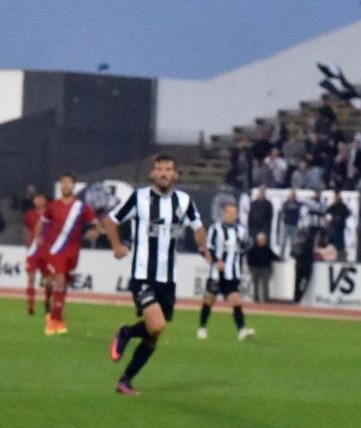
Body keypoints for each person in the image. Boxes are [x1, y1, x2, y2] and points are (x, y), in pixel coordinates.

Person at [103, 155, 208, 396]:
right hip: (143, 275)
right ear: (152, 174)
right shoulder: (139, 198)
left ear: (175, 175)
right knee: (156, 323)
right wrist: (118, 247)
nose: (163, 173)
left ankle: (125, 380)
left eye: (168, 169)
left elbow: (199, 226)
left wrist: (203, 246)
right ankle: (126, 333)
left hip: (168, 279)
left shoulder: (183, 201)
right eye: (159, 169)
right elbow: (110, 221)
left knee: (155, 333)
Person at [38, 173, 98, 335]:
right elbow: (43, 222)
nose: (66, 185)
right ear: (60, 186)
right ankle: (55, 320)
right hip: (55, 249)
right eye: (63, 182)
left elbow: (95, 223)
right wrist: (39, 237)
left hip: (72, 250)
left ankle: (56, 314)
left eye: (69, 183)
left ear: (74, 186)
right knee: (58, 279)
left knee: (61, 283)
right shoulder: (53, 206)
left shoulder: (81, 206)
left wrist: (94, 231)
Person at [197, 202, 254, 341]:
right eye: (229, 212)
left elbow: (246, 246)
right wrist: (217, 261)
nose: (232, 215)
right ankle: (202, 327)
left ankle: (241, 330)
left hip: (233, 272)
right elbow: (208, 248)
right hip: (217, 273)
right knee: (210, 299)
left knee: (236, 300)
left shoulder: (241, 230)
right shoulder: (215, 229)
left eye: (235, 213)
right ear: (224, 213)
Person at [22, 191, 50, 316]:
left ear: (45, 200)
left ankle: (48, 302)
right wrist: (28, 245)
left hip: (46, 251)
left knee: (49, 280)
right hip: (33, 250)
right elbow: (27, 230)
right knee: (31, 278)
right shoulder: (29, 215)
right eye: (36, 199)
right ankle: (30, 307)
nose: (38, 201)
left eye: (40, 198)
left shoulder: (51, 214)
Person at [245, 232, 280, 301]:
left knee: (265, 285)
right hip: (255, 269)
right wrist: (250, 267)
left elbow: (274, 257)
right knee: (255, 285)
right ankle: (255, 299)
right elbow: (249, 258)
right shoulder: (253, 249)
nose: (262, 241)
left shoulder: (267, 249)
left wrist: (280, 258)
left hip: (266, 269)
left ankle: (266, 300)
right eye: (261, 240)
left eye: (264, 240)